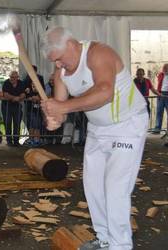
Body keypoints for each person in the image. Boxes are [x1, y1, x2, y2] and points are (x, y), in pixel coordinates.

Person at [40, 27, 148, 250]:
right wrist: (53, 118)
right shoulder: (61, 69)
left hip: (127, 125)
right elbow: (60, 109)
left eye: (59, 59)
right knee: (93, 186)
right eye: (54, 62)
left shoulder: (98, 53)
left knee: (115, 188)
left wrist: (63, 107)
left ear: (70, 45)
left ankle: (121, 245)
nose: (58, 66)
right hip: (98, 129)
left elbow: (105, 91)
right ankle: (104, 238)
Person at [2, 70, 25, 146]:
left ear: (17, 77)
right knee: (7, 123)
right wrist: (15, 98)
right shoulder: (6, 83)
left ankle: (16, 141)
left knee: (17, 124)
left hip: (17, 106)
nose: (13, 79)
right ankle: (9, 141)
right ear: (10, 77)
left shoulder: (21, 83)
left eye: (15, 77)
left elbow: (23, 94)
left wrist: (19, 98)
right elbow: (5, 94)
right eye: (12, 77)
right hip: (7, 106)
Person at [23, 65, 45, 147]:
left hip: (38, 105)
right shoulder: (26, 79)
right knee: (31, 123)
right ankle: (32, 139)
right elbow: (24, 91)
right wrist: (30, 97)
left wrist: (38, 97)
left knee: (38, 123)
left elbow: (43, 90)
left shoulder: (40, 78)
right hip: (29, 105)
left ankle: (36, 140)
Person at [152, 63, 168, 134]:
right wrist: (159, 93)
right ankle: (157, 129)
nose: (164, 69)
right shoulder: (161, 75)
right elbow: (158, 83)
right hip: (161, 94)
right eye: (164, 68)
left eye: (166, 68)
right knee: (159, 112)